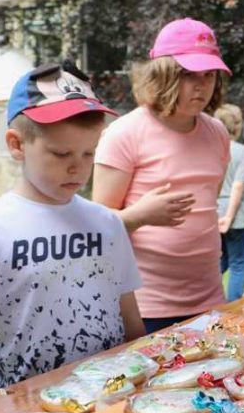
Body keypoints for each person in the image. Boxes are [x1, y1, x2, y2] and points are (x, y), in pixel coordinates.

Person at [0, 61, 146, 388]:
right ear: (16, 144)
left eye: (88, 154)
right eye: (61, 154)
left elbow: (131, 324)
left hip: (111, 404)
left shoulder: (108, 223)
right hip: (25, 412)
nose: (78, 169)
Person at [93, 19, 231, 335]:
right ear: (163, 75)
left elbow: (207, 205)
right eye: (189, 75)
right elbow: (96, 225)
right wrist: (139, 216)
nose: (202, 85)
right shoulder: (125, 133)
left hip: (209, 299)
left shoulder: (218, 133)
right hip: (146, 306)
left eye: (209, 74)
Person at [214, 104, 244, 301]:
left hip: (214, 211)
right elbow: (238, 186)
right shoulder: (241, 151)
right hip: (235, 214)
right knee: (238, 264)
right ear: (236, 126)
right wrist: (229, 216)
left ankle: (209, 300)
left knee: (220, 261)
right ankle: (233, 309)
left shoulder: (210, 150)